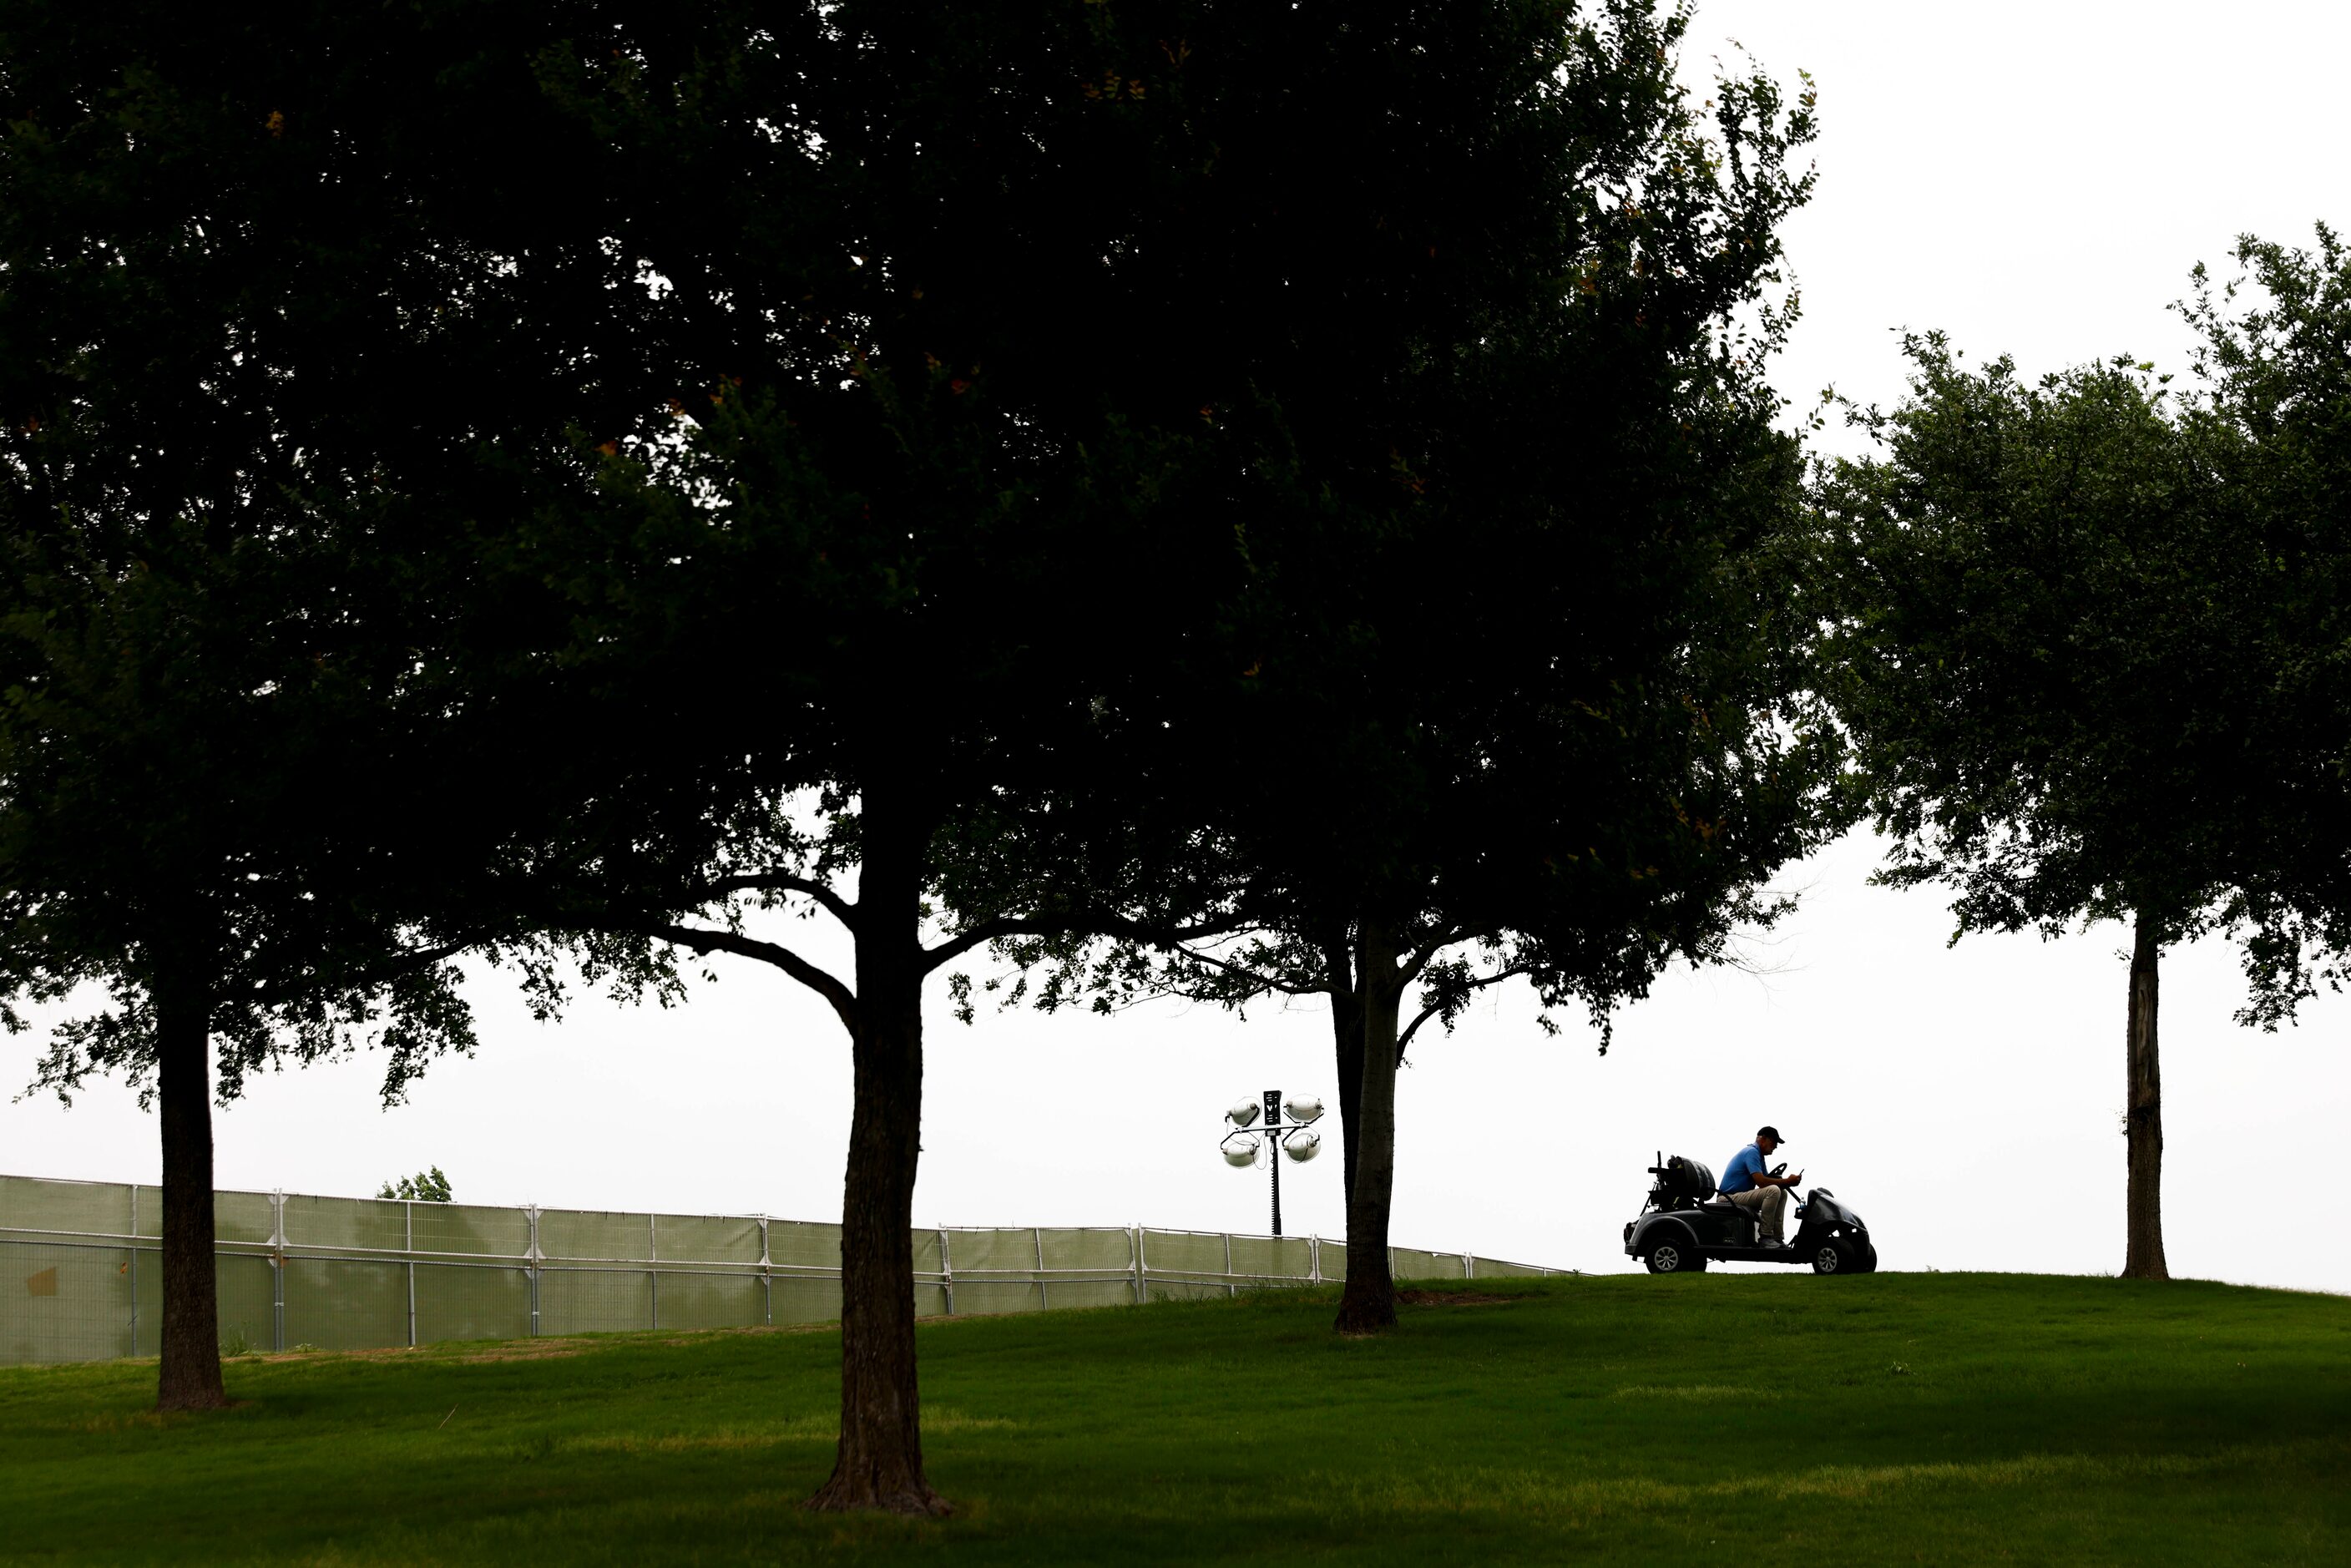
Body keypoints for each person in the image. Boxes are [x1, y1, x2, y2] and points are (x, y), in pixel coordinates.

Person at [1718, 1125, 1802, 1248]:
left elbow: (1767, 1180)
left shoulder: (1759, 1156)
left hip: (1739, 1196)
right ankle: (1765, 1237)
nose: (1776, 1146)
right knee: (1773, 1191)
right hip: (1728, 1198)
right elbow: (1762, 1182)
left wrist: (1785, 1182)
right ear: (1762, 1139)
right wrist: (1788, 1181)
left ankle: (1777, 1238)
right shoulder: (1751, 1152)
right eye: (1774, 1142)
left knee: (1781, 1192)